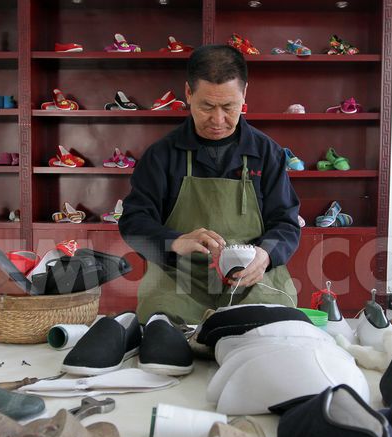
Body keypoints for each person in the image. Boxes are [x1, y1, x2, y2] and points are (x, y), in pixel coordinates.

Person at [119, 44, 301, 324]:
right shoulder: (161, 155)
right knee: (164, 341)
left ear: (244, 94)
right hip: (178, 281)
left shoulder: (268, 153)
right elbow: (133, 221)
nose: (218, 120)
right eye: (207, 106)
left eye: (229, 107)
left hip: (252, 280)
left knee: (270, 338)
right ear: (189, 94)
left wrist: (267, 254)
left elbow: (286, 222)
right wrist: (174, 242)